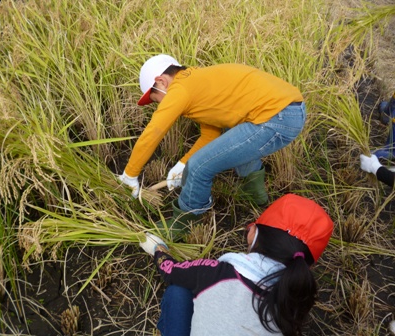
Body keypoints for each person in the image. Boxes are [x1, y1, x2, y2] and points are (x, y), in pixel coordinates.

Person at [118, 54, 306, 233]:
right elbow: (210, 135)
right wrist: (182, 165)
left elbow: (154, 132)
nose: (159, 105)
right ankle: (255, 196)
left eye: (155, 99)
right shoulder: (196, 84)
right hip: (287, 110)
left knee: (199, 166)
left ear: (161, 82)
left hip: (277, 116)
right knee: (229, 139)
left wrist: (130, 174)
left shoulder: (180, 89)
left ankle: (186, 221)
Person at [139, 193, 334, 336]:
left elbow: (170, 270)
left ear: (253, 233)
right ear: (308, 266)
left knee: (178, 292)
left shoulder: (215, 272)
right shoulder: (298, 295)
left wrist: (159, 249)